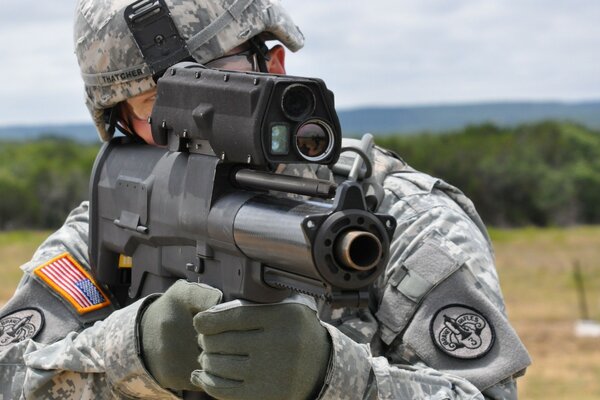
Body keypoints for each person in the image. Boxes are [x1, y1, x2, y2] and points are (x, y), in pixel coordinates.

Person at [0, 0, 531, 398]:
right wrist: (131, 350)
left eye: (217, 88)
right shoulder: (117, 208)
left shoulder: (399, 217)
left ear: (273, 68)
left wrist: (335, 378)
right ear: (119, 123)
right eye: (155, 104)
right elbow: (9, 371)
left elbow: (486, 392)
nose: (188, 121)